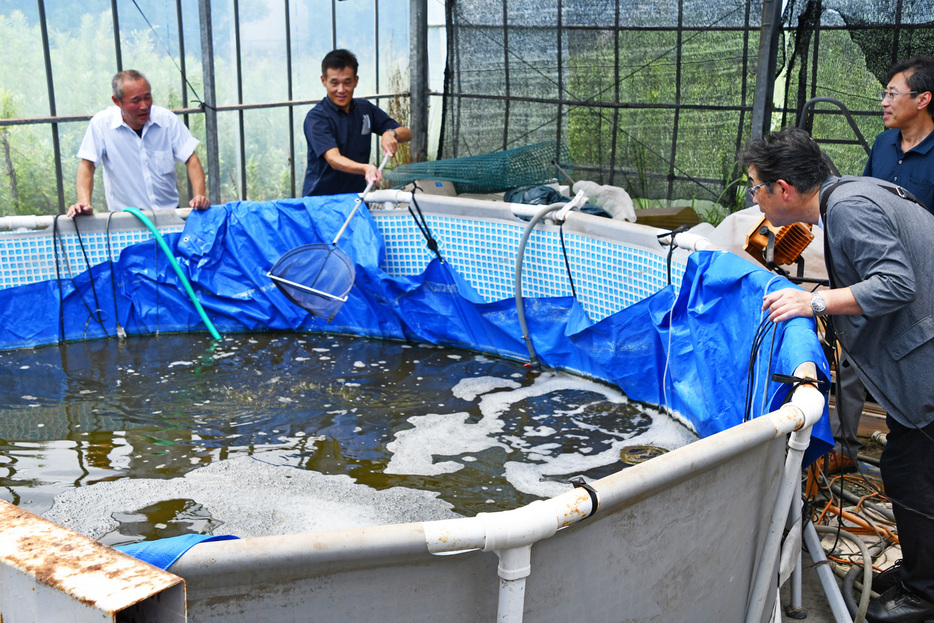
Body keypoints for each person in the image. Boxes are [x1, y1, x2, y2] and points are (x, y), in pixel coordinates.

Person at [747, 126, 934, 623]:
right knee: (905, 465)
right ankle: (921, 571)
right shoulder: (857, 192)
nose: (755, 199)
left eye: (756, 188)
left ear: (783, 188)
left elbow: (895, 283)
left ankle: (925, 596)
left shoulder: (849, 208)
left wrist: (815, 301)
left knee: (916, 477)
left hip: (926, 366)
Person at [830, 54, 934, 474]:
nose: (884, 102)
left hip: (921, 285)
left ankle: (911, 447)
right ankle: (844, 445)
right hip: (878, 272)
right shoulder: (883, 144)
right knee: (857, 352)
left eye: (893, 94)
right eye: (885, 94)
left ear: (923, 98)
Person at [67, 69, 210, 217]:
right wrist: (84, 203)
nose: (144, 106)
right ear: (117, 101)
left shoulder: (167, 120)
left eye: (147, 97)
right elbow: (87, 165)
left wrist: (199, 196)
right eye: (135, 101)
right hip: (124, 220)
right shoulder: (101, 124)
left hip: (169, 216)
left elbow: (191, 160)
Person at [302, 49, 411, 197]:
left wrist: (390, 133)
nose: (341, 90)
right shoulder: (317, 118)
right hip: (322, 201)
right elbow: (334, 159)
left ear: (356, 81)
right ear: (324, 81)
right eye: (334, 83)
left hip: (357, 197)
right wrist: (366, 168)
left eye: (347, 82)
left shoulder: (364, 109)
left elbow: (407, 133)